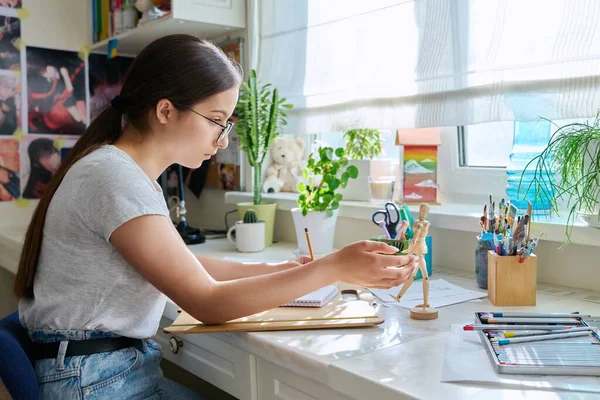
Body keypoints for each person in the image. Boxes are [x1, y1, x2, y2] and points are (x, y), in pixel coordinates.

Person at [13, 34, 419, 399]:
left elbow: (182, 264)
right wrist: (330, 268)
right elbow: (207, 302)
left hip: (104, 371)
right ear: (166, 110)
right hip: (94, 383)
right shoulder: (114, 178)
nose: (222, 140)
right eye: (216, 121)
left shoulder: (121, 173)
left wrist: (275, 268)